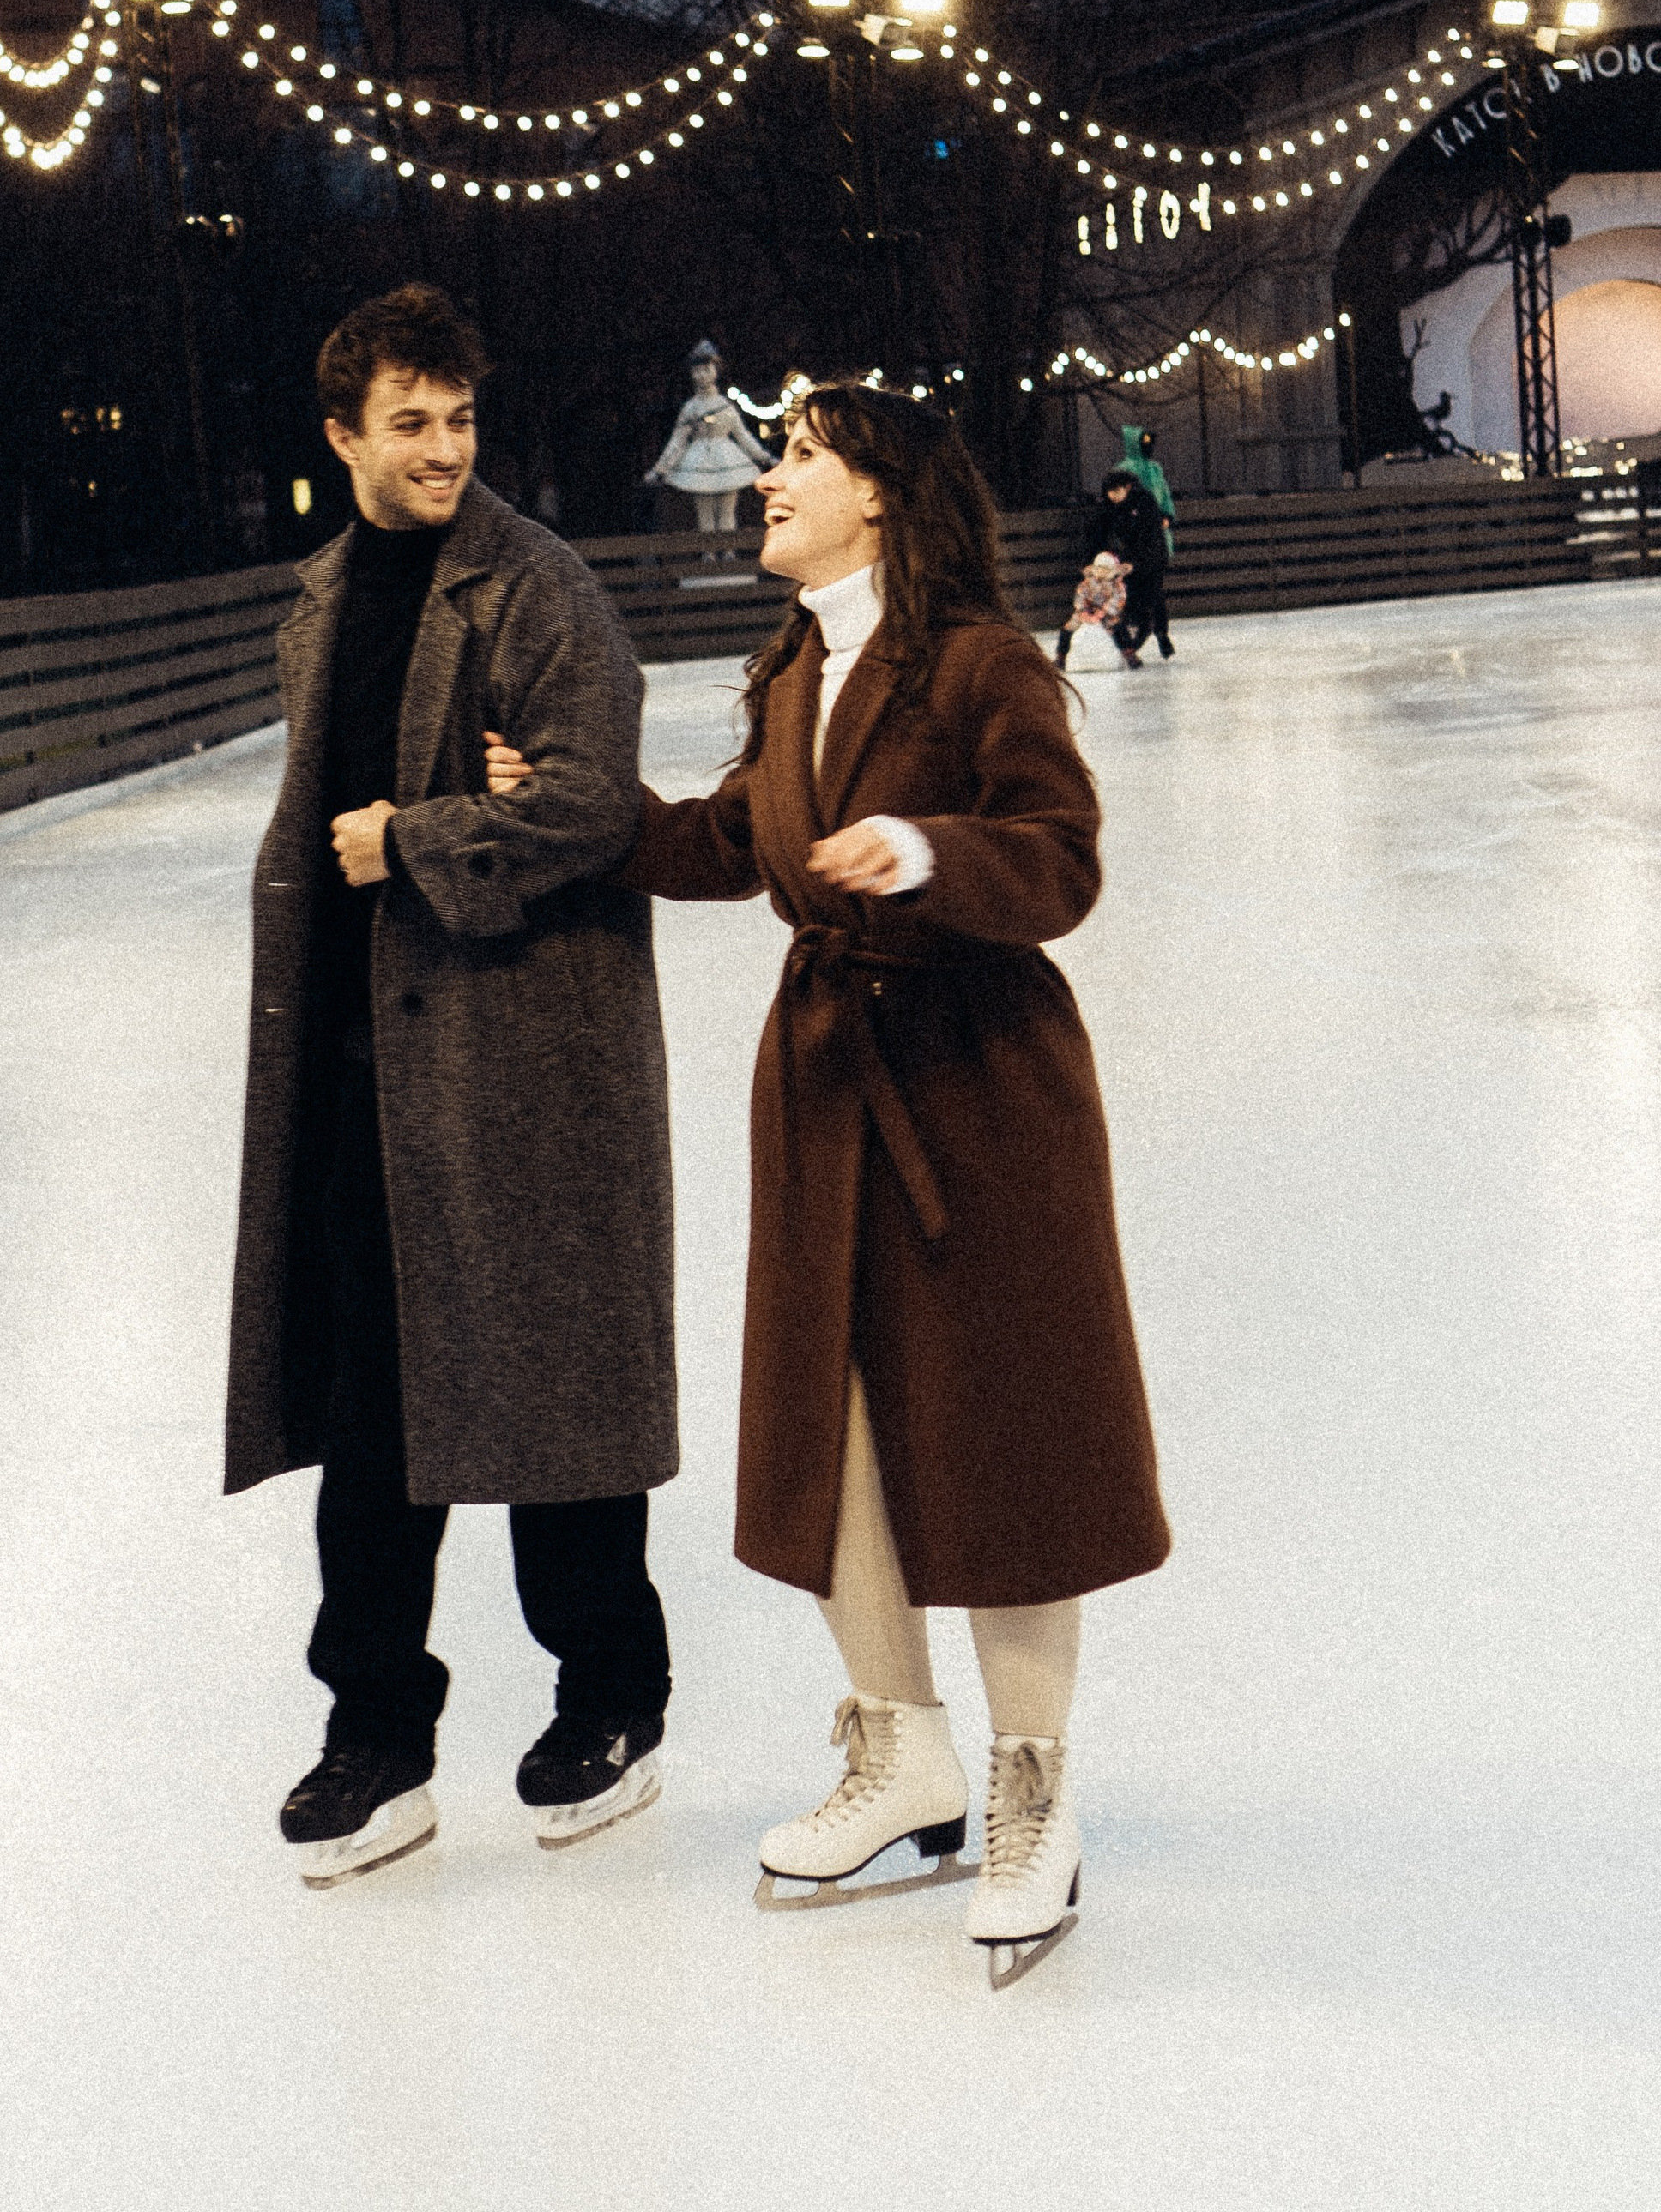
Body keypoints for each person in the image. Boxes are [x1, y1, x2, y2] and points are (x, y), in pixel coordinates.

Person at [487, 384, 1168, 1979]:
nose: (771, 481)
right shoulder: (795, 671)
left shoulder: (981, 664)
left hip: (978, 1085)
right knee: (836, 1419)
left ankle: (1030, 1787)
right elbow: (730, 843)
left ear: (881, 495)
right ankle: (901, 1748)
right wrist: (577, 815)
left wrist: (926, 854)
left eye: (802, 457)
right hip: (824, 1086)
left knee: (1000, 1432)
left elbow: (1062, 852)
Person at [224, 283, 678, 1888]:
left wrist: (413, 840)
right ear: (340, 437)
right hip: (362, 1061)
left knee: (556, 1390)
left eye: (460, 419)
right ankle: (375, 1732)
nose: (442, 449)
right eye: (408, 423)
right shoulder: (322, 597)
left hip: (523, 1053)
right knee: (372, 1412)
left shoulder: (536, 585)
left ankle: (610, 1696)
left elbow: (597, 799)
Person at [643, 342, 774, 533]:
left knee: (727, 513)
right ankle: (708, 549)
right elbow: (677, 442)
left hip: (726, 459)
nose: (702, 375)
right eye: (697, 371)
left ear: (715, 371)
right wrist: (660, 469)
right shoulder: (691, 408)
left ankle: (729, 548)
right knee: (704, 516)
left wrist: (764, 457)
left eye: (706, 370)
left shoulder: (725, 405)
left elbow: (742, 435)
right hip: (698, 461)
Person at [1095, 467, 1168, 666]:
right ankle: (1130, 647)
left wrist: (1136, 563)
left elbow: (1151, 539)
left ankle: (1161, 635)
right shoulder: (1106, 506)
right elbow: (1098, 534)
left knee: (1153, 598)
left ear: (1127, 487)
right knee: (1128, 604)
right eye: (1110, 492)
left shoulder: (1145, 501)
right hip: (1124, 561)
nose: (1113, 496)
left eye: (1117, 491)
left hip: (1151, 558)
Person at [1119, 427, 1176, 657]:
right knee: (1137, 592)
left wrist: (1167, 516)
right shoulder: (1124, 470)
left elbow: (1165, 495)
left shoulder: (1155, 469)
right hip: (1135, 543)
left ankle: (1160, 632)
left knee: (1155, 589)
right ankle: (1139, 634)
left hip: (1156, 540)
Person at [1052, 544, 1131, 673]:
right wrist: (1084, 612)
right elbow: (1080, 598)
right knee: (1067, 630)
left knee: (1119, 628)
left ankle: (1129, 654)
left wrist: (1103, 612)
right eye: (1100, 568)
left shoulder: (1117, 585)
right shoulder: (1086, 584)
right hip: (1085, 614)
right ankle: (1061, 657)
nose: (1102, 572)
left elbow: (1118, 601)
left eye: (1106, 569)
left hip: (1107, 615)